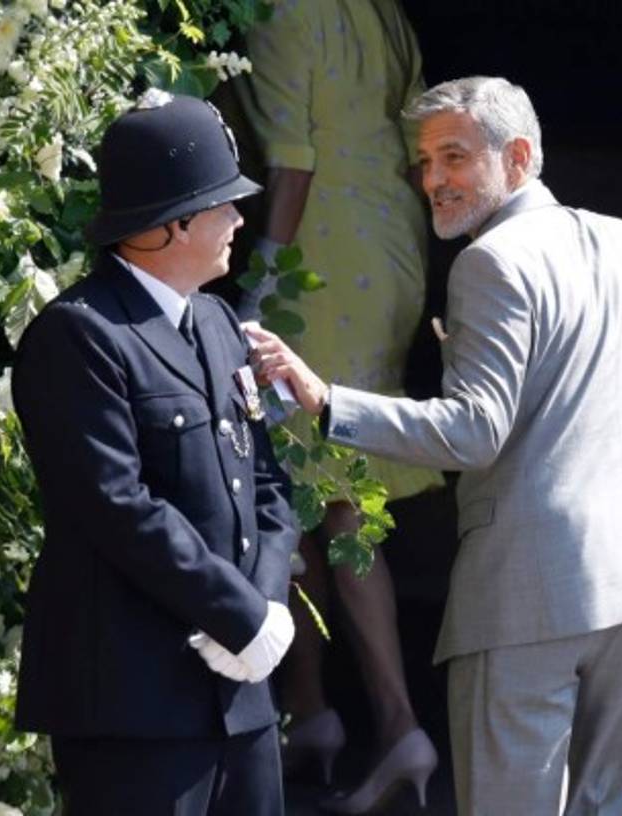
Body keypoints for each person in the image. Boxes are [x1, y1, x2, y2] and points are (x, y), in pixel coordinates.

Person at [246, 75, 622, 815]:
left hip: (527, 598)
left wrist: (327, 404)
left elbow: (474, 431)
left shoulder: (490, 262)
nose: (433, 180)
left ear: (517, 156)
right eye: (424, 163)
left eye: (453, 157)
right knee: (599, 804)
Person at [11, 91, 300, 816]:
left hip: (241, 699)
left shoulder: (218, 322)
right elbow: (117, 507)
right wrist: (242, 617)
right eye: (223, 205)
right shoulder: (80, 335)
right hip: (135, 706)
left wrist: (264, 610)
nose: (239, 219)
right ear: (173, 225)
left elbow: (267, 483)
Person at [235, 3, 443, 807]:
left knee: (329, 491)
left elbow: (293, 160)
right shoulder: (383, 10)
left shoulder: (283, 12)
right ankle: (310, 711)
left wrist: (263, 277)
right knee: (309, 486)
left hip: (317, 255)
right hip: (388, 249)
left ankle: (392, 723)